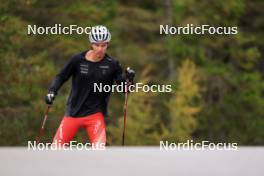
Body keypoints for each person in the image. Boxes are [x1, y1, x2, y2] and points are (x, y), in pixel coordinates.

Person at [45, 25, 135, 148]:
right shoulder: (78, 60)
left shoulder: (112, 64)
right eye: (97, 45)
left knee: (100, 152)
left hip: (95, 115)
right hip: (73, 113)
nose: (100, 49)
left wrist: (129, 79)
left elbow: (125, 89)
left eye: (103, 45)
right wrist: (52, 91)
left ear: (107, 44)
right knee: (55, 150)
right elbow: (61, 76)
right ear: (91, 44)